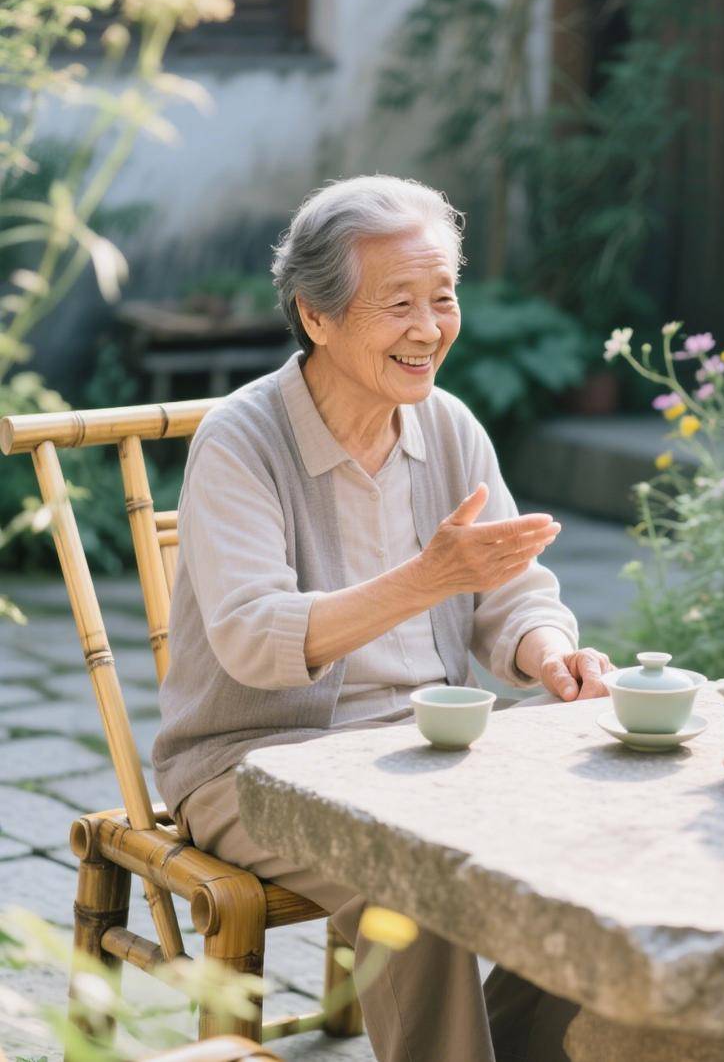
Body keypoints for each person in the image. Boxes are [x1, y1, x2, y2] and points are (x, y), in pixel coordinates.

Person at [153, 174, 611, 1062]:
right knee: (415, 877)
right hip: (254, 761)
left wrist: (551, 652)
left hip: (427, 746)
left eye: (443, 297)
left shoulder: (449, 426)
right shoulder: (242, 440)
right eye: (398, 303)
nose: (429, 327)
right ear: (315, 315)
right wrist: (426, 578)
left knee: (591, 838)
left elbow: (513, 593)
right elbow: (252, 637)